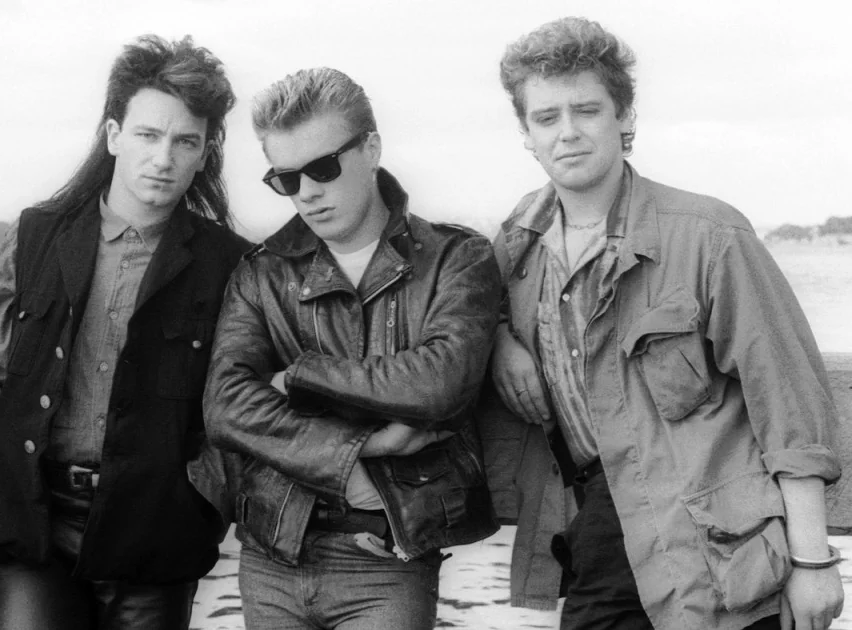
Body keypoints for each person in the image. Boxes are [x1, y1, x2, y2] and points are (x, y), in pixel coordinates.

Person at [487, 16, 844, 630]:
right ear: (526, 133)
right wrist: (499, 340)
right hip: (600, 527)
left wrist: (813, 560)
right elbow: (465, 311)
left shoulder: (709, 235)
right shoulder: (517, 245)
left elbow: (787, 399)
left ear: (624, 116)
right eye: (546, 117)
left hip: (716, 546)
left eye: (587, 110)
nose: (567, 132)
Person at [0, 34, 248, 630]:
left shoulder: (227, 264)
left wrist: (203, 502)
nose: (163, 158)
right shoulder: (37, 235)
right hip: (33, 519)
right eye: (148, 134)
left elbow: (236, 403)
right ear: (114, 135)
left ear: (205, 153)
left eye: (185, 141)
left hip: (156, 531)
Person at [204, 67, 502, 630]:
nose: (307, 193)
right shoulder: (261, 275)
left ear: (371, 149)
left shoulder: (456, 258)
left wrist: (299, 377)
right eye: (286, 178)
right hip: (269, 556)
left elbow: (439, 384)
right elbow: (226, 405)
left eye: (322, 168)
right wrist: (355, 458)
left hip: (385, 562)